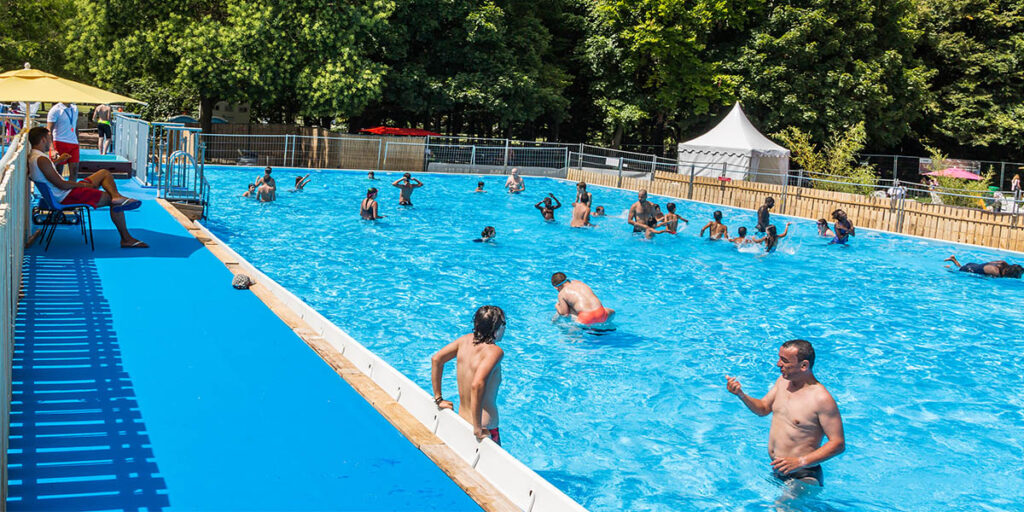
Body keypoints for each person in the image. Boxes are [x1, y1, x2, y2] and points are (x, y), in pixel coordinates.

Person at [726, 339, 845, 487]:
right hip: (778, 470)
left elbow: (838, 443)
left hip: (804, 474)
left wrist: (800, 462)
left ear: (804, 365)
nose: (778, 364)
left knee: (782, 508)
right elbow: (763, 409)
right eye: (779, 358)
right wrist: (741, 395)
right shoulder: (783, 382)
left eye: (784, 360)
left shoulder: (821, 399)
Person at [27, 127, 147, 248]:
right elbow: (61, 185)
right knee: (113, 202)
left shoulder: (34, 156)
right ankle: (126, 238)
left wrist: (58, 161)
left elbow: (46, 172)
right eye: (49, 139)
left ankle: (117, 196)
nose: (50, 142)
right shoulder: (41, 159)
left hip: (65, 193)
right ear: (43, 140)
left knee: (104, 173)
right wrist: (84, 185)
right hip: (67, 196)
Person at [430, 306, 507, 444]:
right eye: (503, 324)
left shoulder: (464, 341)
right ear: (496, 329)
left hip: (462, 420)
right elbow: (477, 384)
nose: (505, 328)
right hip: (484, 428)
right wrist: (477, 428)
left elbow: (436, 360)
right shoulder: (494, 352)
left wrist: (438, 398)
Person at [551, 272, 615, 325]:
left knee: (563, 310)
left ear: (556, 287)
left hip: (586, 318)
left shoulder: (562, 293)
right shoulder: (578, 282)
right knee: (611, 311)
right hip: (602, 313)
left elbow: (564, 313)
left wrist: (557, 306)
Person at [46, 102, 80, 180]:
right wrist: (52, 149)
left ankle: (72, 191)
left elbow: (75, 126)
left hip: (73, 143)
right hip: (59, 142)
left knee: (74, 171)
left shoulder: (75, 108)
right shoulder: (55, 110)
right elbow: (49, 130)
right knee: (58, 172)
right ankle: (56, 191)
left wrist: (77, 141)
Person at [944, 255, 1023, 278]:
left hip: (973, 264)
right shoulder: (996, 272)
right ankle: (949, 268)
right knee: (956, 272)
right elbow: (981, 277)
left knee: (959, 268)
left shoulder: (1003, 263)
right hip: (969, 269)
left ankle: (953, 260)